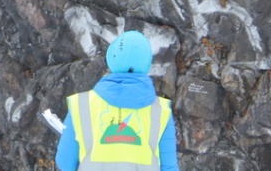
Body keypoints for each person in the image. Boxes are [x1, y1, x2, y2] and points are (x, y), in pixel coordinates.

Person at [55, 31, 179, 171]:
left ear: (111, 59)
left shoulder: (81, 105)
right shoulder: (161, 112)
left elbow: (65, 163)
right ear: (146, 65)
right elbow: (170, 168)